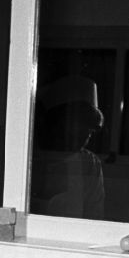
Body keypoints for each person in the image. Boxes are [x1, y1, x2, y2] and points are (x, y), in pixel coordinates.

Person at [30, 75, 106, 220]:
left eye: (89, 131)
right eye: (79, 128)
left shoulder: (89, 163)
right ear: (57, 123)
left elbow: (95, 215)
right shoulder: (29, 155)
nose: (85, 137)